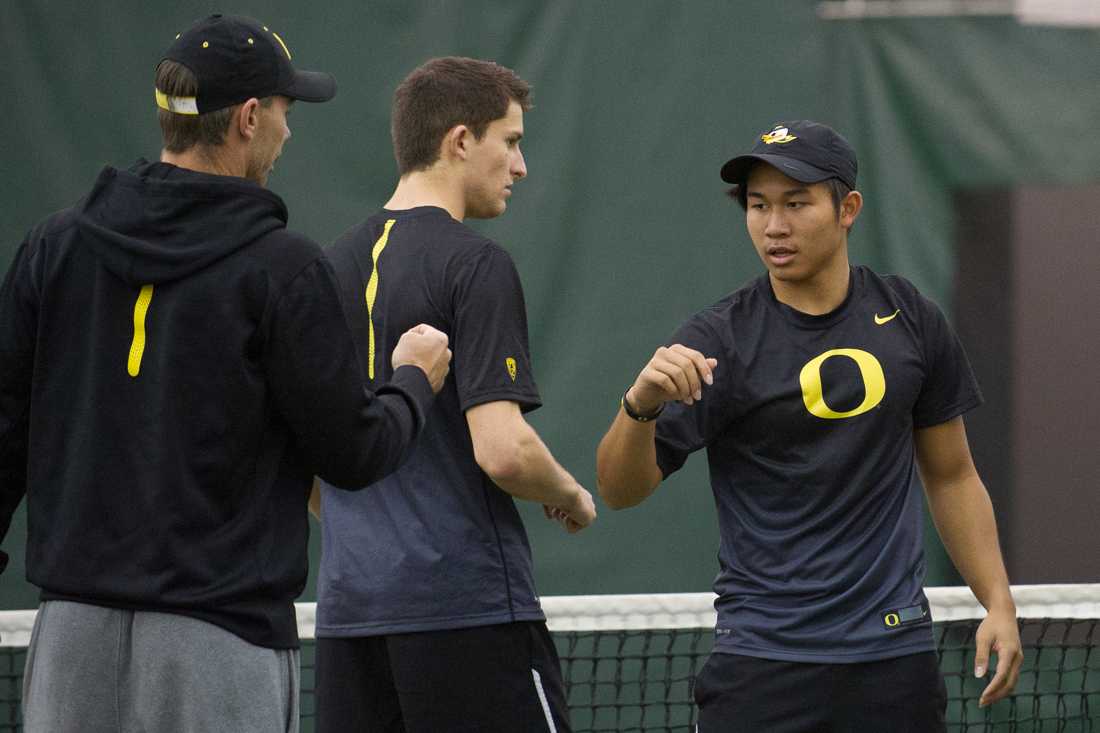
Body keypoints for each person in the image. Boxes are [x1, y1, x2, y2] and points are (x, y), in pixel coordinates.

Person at [0, 14, 450, 733]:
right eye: (283, 110)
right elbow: (354, 451)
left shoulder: (52, 248)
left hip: (67, 645)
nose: (288, 130)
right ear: (247, 118)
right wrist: (413, 381)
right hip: (219, 646)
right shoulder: (283, 268)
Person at [595, 120, 1023, 732]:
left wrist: (999, 603)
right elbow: (618, 488)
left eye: (796, 204)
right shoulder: (719, 339)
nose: (774, 226)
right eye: (758, 205)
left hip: (892, 658)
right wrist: (638, 405)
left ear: (847, 208)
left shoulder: (911, 319)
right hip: (762, 665)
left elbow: (953, 476)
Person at [311, 56, 596, 732]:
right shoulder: (477, 263)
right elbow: (503, 450)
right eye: (512, 141)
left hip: (350, 621)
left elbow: (310, 471)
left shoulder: (322, 269)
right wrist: (570, 494)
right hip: (466, 615)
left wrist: (375, 533)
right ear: (461, 141)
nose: (520, 167)